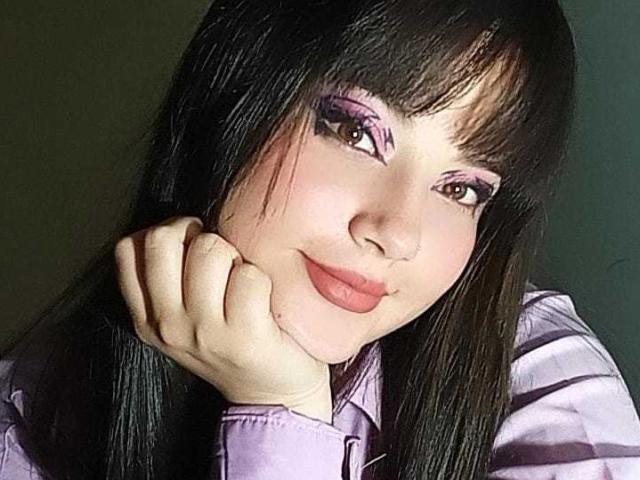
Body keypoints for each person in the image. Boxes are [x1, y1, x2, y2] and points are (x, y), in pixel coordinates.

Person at [1, 0, 639, 479]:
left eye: (463, 188)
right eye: (356, 132)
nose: (397, 233)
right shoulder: (35, 412)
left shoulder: (540, 379)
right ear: (235, 99)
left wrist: (280, 410)